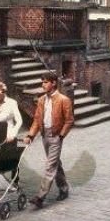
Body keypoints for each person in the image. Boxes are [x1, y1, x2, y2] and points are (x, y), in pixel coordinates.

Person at [23, 72, 75, 208]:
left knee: (50, 166)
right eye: (42, 82)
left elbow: (69, 121)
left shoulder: (64, 100)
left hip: (56, 136)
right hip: (44, 135)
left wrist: (61, 136)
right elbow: (36, 119)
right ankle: (64, 188)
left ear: (53, 83)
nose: (43, 85)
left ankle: (40, 197)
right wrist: (30, 136)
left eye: (45, 82)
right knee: (56, 163)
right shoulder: (41, 100)